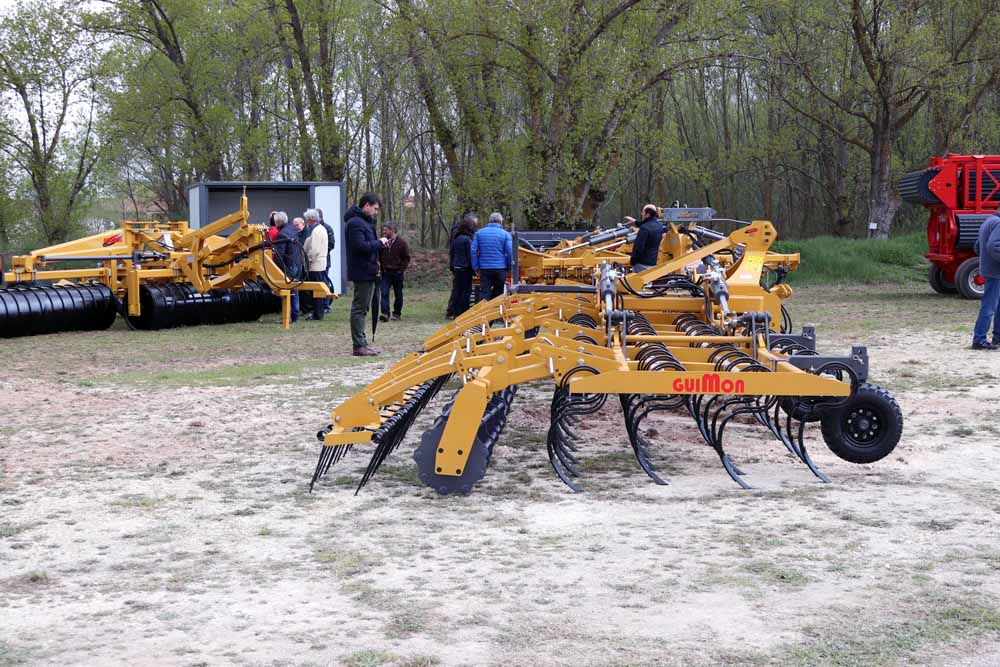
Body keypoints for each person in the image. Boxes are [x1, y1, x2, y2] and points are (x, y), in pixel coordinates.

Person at [345, 192, 386, 356]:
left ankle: (363, 343)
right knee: (359, 308)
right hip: (362, 271)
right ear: (367, 205)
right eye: (375, 208)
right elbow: (359, 247)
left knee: (363, 308)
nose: (376, 212)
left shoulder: (364, 222)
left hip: (368, 270)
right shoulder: (356, 223)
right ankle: (359, 345)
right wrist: (379, 243)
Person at [972, 210, 1000, 350]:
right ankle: (979, 339)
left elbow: (977, 247)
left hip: (990, 270)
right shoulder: (998, 223)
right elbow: (994, 246)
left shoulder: (988, 221)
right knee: (989, 306)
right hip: (996, 272)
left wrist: (986, 261)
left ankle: (997, 337)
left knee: (996, 305)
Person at [471, 211, 512, 301]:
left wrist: (476, 267)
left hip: (484, 269)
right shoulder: (505, 234)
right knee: (499, 294)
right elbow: (509, 252)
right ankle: (496, 313)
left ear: (489, 221)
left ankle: (483, 313)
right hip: (500, 268)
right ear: (501, 222)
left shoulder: (479, 233)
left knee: (485, 293)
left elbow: (473, 251)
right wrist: (509, 267)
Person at [273, 211, 302, 323]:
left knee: (285, 290)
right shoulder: (293, 229)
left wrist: (275, 266)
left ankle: (287, 317)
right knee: (294, 290)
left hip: (288, 266)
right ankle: (295, 315)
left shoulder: (281, 234)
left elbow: (280, 253)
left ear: (278, 222)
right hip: (296, 263)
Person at [378, 221, 410, 322]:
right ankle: (385, 313)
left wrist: (401, 270)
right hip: (386, 273)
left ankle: (396, 314)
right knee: (384, 293)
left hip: (397, 273)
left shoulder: (402, 243)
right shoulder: (382, 242)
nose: (384, 232)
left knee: (398, 294)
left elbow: (406, 258)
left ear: (392, 230)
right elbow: (379, 256)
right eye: (383, 230)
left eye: (386, 230)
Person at [446, 213, 476, 317]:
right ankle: (464, 312)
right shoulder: (467, 240)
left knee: (457, 290)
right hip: (465, 268)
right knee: (466, 291)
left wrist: (452, 266)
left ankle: (455, 312)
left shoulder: (456, 239)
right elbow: (470, 255)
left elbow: (452, 253)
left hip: (456, 267)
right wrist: (474, 268)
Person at [303, 208, 329, 321]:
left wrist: (309, 260)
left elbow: (315, 250)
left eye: (307, 220)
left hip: (316, 265)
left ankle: (318, 314)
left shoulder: (317, 231)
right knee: (317, 289)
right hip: (319, 264)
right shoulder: (320, 229)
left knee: (316, 290)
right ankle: (318, 313)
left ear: (311, 219)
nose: (306, 222)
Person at [630, 204, 664, 272]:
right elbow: (647, 223)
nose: (642, 214)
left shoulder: (644, 228)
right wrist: (635, 222)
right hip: (652, 263)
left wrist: (633, 261)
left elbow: (639, 247)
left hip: (641, 264)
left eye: (643, 212)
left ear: (647, 214)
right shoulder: (660, 226)